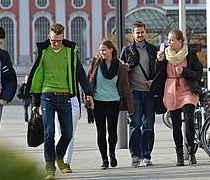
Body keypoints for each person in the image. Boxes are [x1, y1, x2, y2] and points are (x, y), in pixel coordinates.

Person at [25, 23, 93, 180]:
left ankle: (59, 156)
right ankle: (50, 167)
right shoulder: (43, 51)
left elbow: (80, 74)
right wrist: (35, 102)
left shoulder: (69, 51)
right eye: (52, 40)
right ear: (50, 37)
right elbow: (38, 76)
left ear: (63, 38)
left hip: (65, 96)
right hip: (47, 95)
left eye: (58, 40)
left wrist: (87, 92)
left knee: (68, 132)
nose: (55, 43)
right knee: (49, 133)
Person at [153, 29, 202, 166]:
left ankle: (191, 151)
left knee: (189, 118)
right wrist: (158, 60)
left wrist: (184, 71)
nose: (169, 42)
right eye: (168, 39)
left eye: (172, 39)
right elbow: (157, 72)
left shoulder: (190, 53)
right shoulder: (166, 54)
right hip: (171, 89)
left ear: (180, 41)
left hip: (187, 89)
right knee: (176, 124)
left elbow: (198, 73)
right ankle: (179, 154)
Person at [87, 39, 134, 169]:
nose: (101, 52)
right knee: (101, 131)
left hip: (113, 101)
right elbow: (88, 80)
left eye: (104, 50)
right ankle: (104, 159)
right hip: (98, 102)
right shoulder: (96, 63)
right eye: (100, 50)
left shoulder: (120, 66)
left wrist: (130, 107)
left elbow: (125, 86)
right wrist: (87, 97)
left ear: (111, 50)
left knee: (112, 131)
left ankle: (112, 153)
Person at [120, 21, 158, 167]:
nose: (140, 34)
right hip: (133, 92)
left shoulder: (152, 50)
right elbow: (121, 71)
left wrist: (153, 81)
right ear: (133, 34)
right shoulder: (127, 50)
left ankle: (146, 155)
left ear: (145, 32)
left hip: (149, 93)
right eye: (137, 32)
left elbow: (159, 70)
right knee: (135, 124)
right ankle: (135, 155)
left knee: (148, 125)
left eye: (142, 32)